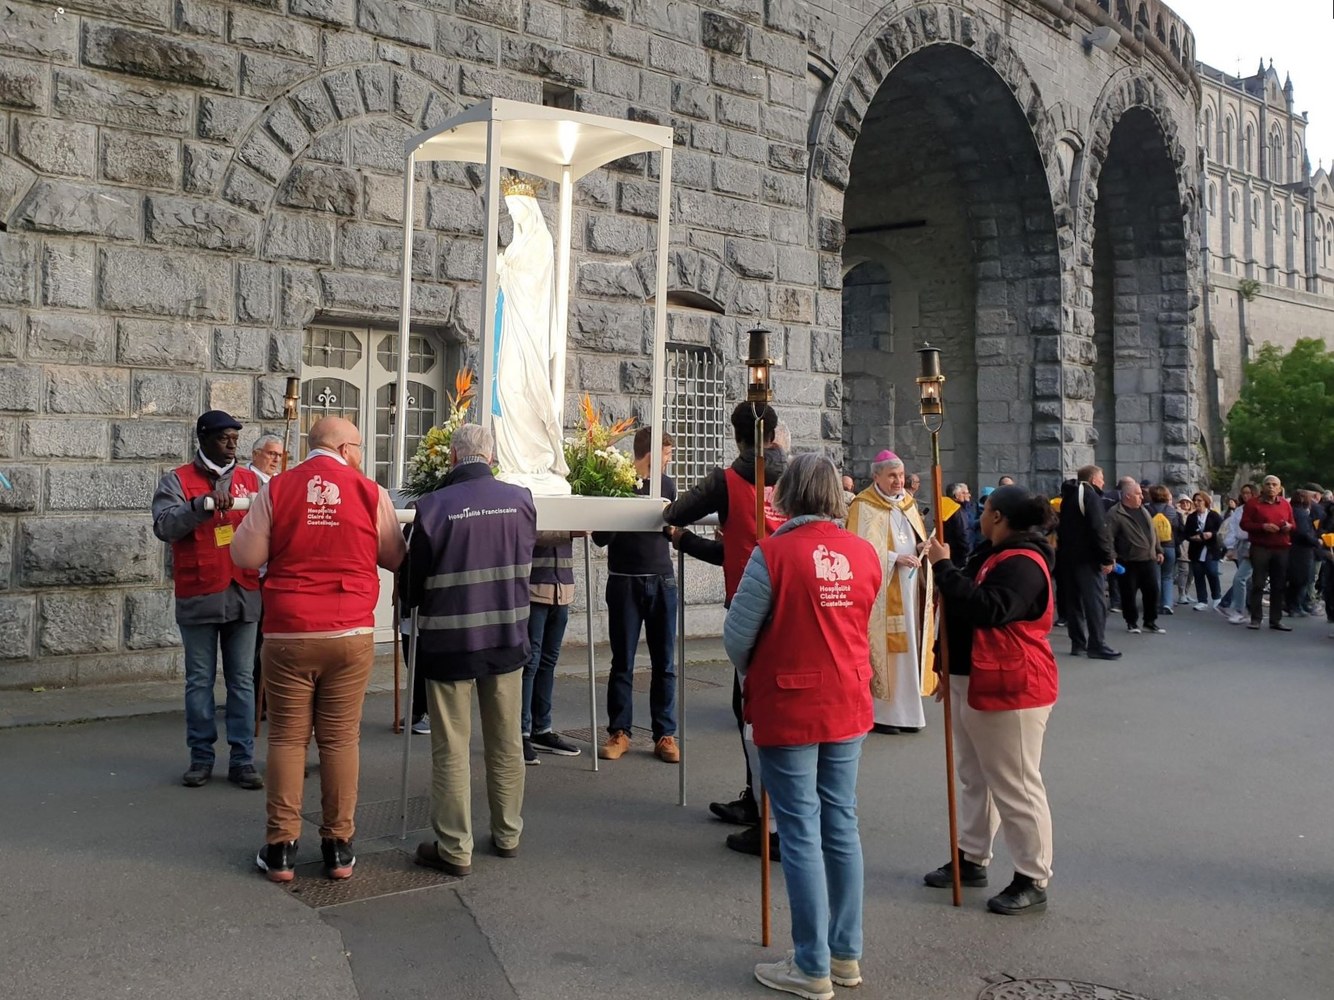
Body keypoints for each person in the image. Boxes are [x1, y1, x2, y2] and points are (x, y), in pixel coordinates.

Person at [723, 453, 882, 999]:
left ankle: (812, 963)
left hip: (791, 702)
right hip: (847, 698)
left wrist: (758, 670)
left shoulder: (773, 553)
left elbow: (737, 636)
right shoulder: (862, 552)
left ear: (788, 494)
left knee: (799, 832)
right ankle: (845, 953)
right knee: (841, 824)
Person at [232, 417, 407, 882]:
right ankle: (338, 846)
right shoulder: (370, 492)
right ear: (346, 449)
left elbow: (245, 556)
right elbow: (394, 556)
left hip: (289, 629)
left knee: (288, 739)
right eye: (360, 447)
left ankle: (281, 848)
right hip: (350, 629)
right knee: (340, 739)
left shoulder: (277, 488)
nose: (362, 455)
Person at [406, 423, 536, 876]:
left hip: (449, 643)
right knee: (506, 743)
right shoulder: (522, 501)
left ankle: (454, 848)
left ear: (453, 458)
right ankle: (508, 834)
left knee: (451, 749)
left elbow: (412, 584)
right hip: (506, 637)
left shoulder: (432, 506)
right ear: (491, 457)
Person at [922, 485, 1059, 917]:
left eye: (984, 510)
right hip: (974, 674)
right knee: (975, 776)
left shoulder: (1023, 562)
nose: (979, 516)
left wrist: (943, 567)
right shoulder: (993, 553)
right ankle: (972, 854)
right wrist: (946, 665)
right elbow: (959, 612)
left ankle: (1033, 875)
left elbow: (988, 608)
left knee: (1016, 784)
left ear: (997, 516)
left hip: (1011, 684)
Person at [664, 400, 785, 859]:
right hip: (795, 601)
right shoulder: (795, 478)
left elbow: (676, 512)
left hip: (749, 606)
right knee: (770, 706)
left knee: (752, 709)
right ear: (773, 436)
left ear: (736, 437)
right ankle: (759, 798)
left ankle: (767, 815)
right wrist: (693, 542)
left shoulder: (728, 480)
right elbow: (737, 549)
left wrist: (682, 535)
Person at [151, 410, 263, 790]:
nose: (232, 445)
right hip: (199, 592)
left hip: (243, 592)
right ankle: (201, 757)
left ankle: (243, 759)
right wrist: (199, 506)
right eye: (223, 438)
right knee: (199, 680)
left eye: (235, 438)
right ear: (203, 439)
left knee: (242, 680)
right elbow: (164, 526)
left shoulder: (250, 480)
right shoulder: (178, 480)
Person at [593, 428, 680, 764]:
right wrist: (621, 505)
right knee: (622, 662)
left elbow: (671, 528)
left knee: (665, 662)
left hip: (661, 579)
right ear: (651, 455)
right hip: (624, 580)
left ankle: (665, 734)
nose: (669, 461)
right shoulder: (617, 482)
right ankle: (620, 732)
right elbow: (601, 537)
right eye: (667, 454)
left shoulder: (667, 485)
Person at [846, 450, 932, 734]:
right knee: (888, 650)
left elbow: (913, 537)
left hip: (909, 589)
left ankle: (908, 714)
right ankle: (883, 714)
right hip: (881, 594)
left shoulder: (908, 503)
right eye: (892, 476)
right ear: (876, 476)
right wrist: (895, 558)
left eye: (902, 475)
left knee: (909, 648)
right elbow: (858, 550)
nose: (899, 481)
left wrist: (920, 547)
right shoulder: (863, 506)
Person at [493, 180, 569, 494]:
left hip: (528, 327)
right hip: (509, 324)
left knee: (521, 387)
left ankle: (536, 457)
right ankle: (514, 461)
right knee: (505, 388)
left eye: (516, 208)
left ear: (529, 208)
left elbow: (533, 283)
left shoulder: (540, 240)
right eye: (509, 209)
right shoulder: (518, 242)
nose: (513, 214)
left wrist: (506, 270)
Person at [523, 533, 583, 763]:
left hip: (562, 589)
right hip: (534, 587)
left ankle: (542, 729)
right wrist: (569, 532)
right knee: (530, 662)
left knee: (548, 662)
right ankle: (521, 732)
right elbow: (529, 532)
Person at [1056, 465, 1119, 659]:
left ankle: (1078, 643)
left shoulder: (1069, 496)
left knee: (1073, 602)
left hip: (1067, 558)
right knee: (1095, 602)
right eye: (1101, 478)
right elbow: (1098, 529)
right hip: (1087, 559)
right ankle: (1097, 644)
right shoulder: (1090, 496)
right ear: (1093, 479)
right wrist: (1107, 557)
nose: (1103, 482)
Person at [1107, 480, 1166, 634]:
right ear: (1128, 496)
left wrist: (1158, 550)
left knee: (1152, 591)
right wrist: (1111, 557)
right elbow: (1108, 537)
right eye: (1138, 494)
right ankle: (1131, 622)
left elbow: (1153, 532)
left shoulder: (1144, 510)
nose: (1142, 497)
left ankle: (1150, 621)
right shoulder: (1115, 513)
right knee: (1128, 593)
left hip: (1148, 559)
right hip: (1128, 560)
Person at [1241, 475, 1293, 631]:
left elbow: (1293, 524)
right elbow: (1244, 524)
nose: (1271, 487)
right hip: (1260, 547)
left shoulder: (1285, 504)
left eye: (1274, 484)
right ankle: (1256, 619)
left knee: (1278, 585)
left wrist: (1289, 526)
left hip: (1281, 548)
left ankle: (1275, 620)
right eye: (1268, 484)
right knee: (1258, 583)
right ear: (1262, 487)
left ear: (1279, 488)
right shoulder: (1253, 503)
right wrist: (1263, 527)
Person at [1284, 485, 1321, 617]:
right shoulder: (1301, 514)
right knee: (1302, 579)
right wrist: (1316, 541)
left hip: (1293, 548)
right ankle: (1295, 606)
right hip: (1302, 550)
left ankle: (1293, 605)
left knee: (1295, 579)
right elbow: (1304, 532)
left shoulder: (1292, 511)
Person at [1144, 485, 1180, 615]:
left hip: (1152, 547)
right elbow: (1177, 528)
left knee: (1155, 576)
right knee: (1168, 576)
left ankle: (1155, 603)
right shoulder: (1171, 511)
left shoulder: (1146, 509)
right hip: (1169, 546)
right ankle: (1167, 603)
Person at [1184, 492, 1223, 610]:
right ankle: (1202, 600)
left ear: (1206, 502)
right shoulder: (1191, 517)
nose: (1196, 503)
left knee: (1212, 571)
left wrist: (1211, 534)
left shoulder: (1214, 515)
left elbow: (1222, 531)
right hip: (1196, 549)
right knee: (1198, 573)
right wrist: (1193, 537)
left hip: (1211, 548)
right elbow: (1186, 534)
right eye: (1195, 500)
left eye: (1199, 500)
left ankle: (1217, 597)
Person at [1172, 494, 1195, 604]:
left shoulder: (1194, 514)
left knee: (1192, 572)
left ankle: (1186, 592)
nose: (1185, 504)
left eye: (1187, 502)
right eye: (1183, 502)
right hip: (1182, 545)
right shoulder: (1177, 515)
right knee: (1184, 571)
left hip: (1193, 546)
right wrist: (1180, 512)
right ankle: (1181, 594)